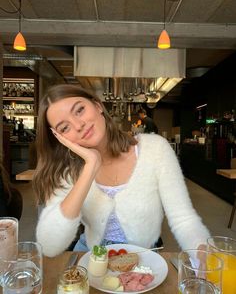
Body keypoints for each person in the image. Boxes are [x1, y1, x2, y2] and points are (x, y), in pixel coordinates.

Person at [34, 84, 210, 257]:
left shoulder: (155, 149)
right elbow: (50, 246)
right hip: (89, 255)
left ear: (97, 106)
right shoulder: (67, 169)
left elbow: (183, 218)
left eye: (79, 110)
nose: (78, 125)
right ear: (59, 138)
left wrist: (202, 253)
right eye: (64, 128)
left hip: (144, 258)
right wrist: (90, 167)